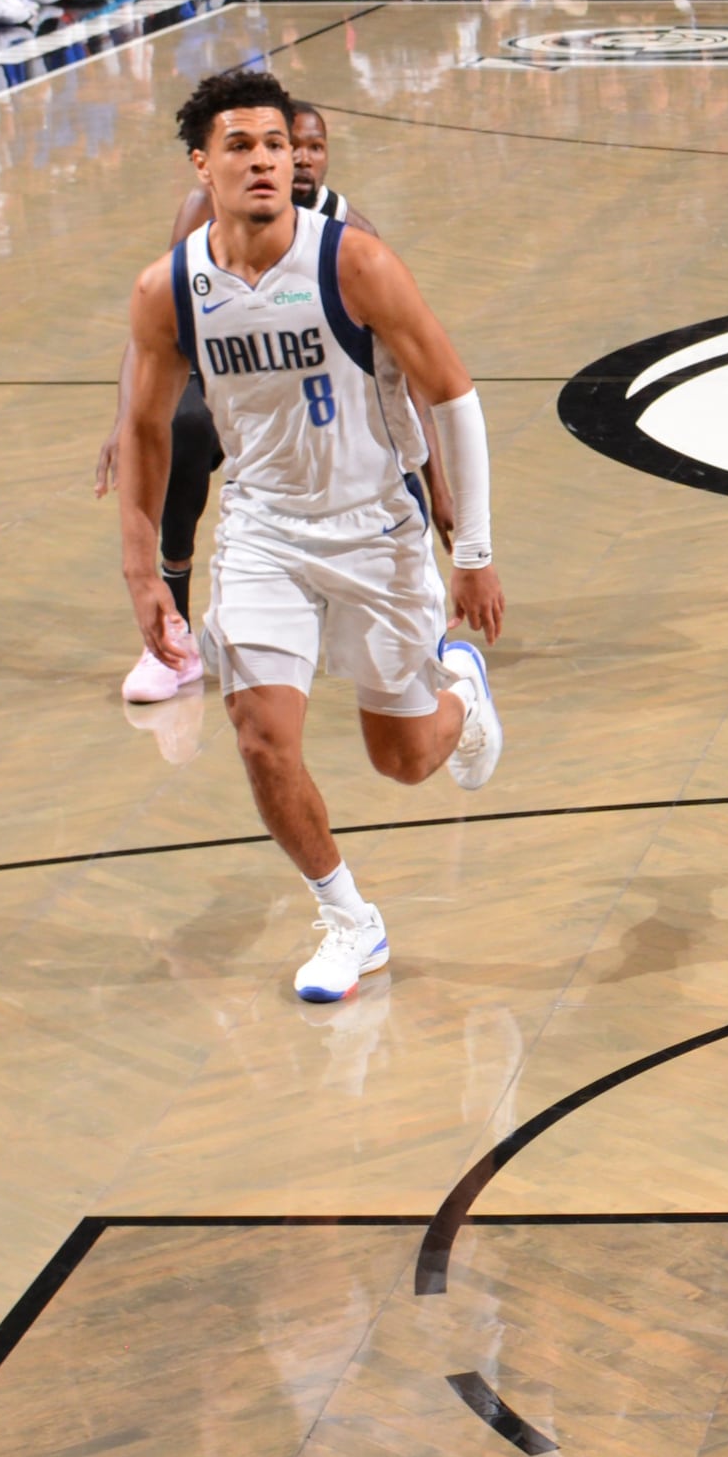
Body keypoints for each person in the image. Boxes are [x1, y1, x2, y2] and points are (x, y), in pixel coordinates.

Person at [108, 69, 508, 1001]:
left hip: (375, 528)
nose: (263, 161)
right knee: (259, 735)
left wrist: (475, 553)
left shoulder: (352, 262)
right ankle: (348, 922)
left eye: (277, 146)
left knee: (402, 761)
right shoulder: (169, 290)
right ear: (200, 165)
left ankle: (463, 698)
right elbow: (145, 430)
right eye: (241, 146)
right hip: (262, 529)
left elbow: (454, 393)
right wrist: (142, 573)